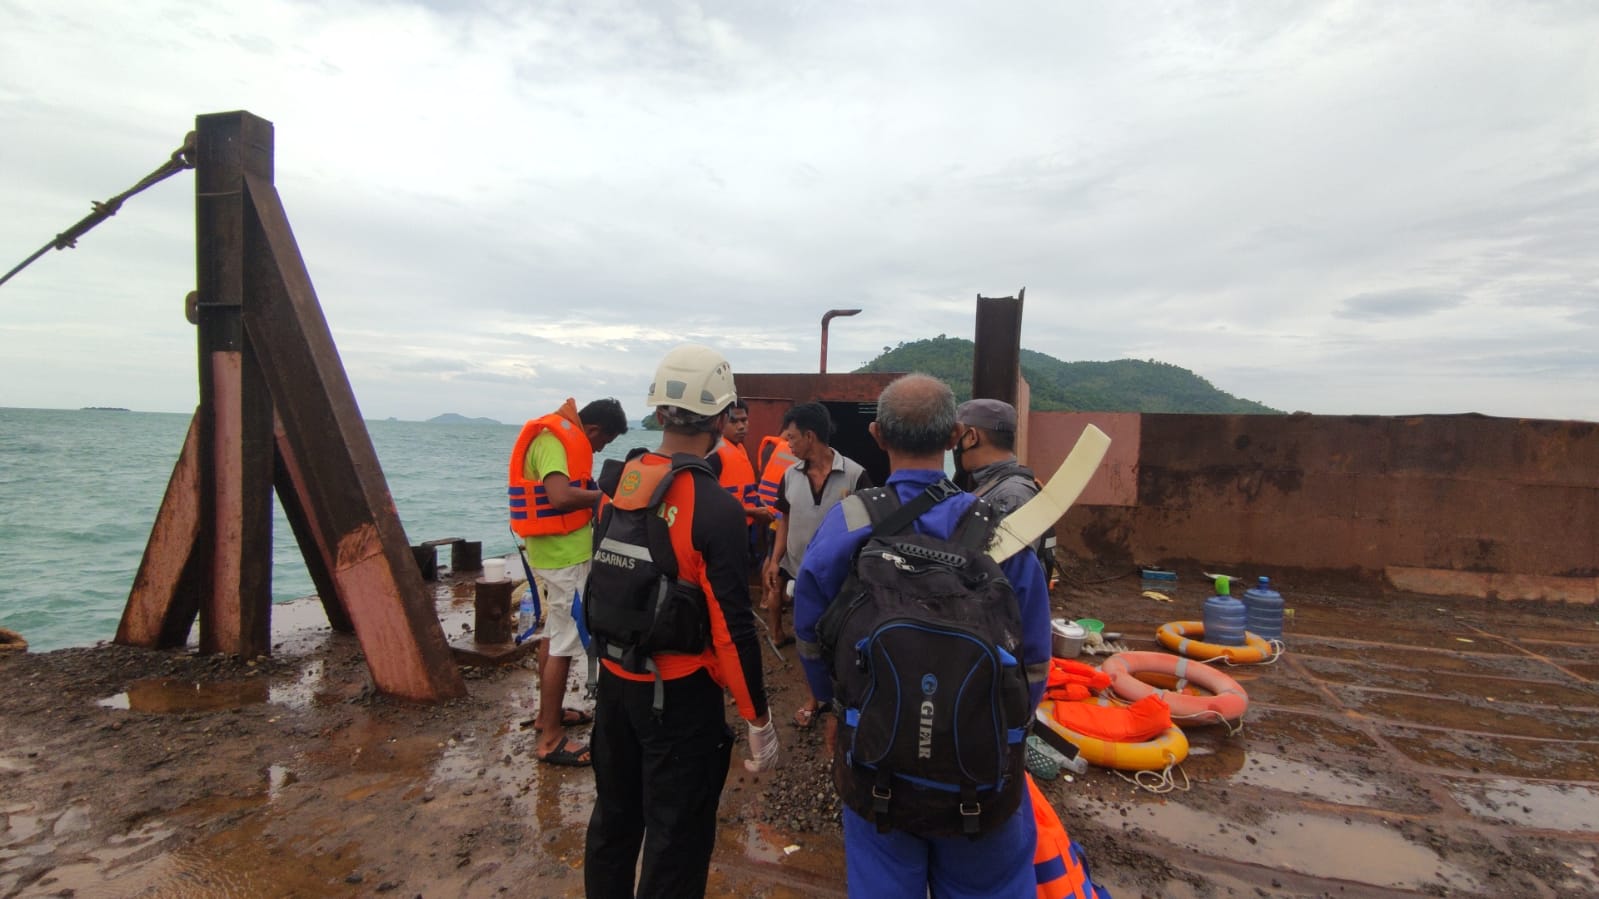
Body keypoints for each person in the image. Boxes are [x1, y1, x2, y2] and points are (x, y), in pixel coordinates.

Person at [792, 374, 1051, 898]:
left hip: (874, 760)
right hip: (981, 772)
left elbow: (810, 634)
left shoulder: (847, 523)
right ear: (956, 435)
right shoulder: (1001, 533)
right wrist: (1002, 729)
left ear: (877, 435)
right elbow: (1036, 662)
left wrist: (830, 708)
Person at [583, 343, 779, 899]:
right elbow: (731, 629)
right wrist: (757, 718)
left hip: (615, 689)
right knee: (676, 839)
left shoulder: (617, 486)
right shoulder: (712, 505)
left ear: (660, 412)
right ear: (721, 417)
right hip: (680, 699)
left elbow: (597, 586)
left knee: (613, 824)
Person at [509, 396, 628, 766]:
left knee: (553, 633)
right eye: (603, 442)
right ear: (593, 430)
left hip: (554, 554)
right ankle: (551, 741)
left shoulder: (557, 437)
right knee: (565, 642)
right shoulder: (555, 440)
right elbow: (559, 497)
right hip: (564, 559)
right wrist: (611, 499)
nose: (599, 449)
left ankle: (549, 716)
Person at [760, 402, 871, 727]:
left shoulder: (855, 474)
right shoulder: (789, 475)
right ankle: (815, 698)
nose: (788, 445)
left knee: (843, 639)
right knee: (806, 640)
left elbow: (866, 527)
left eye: (792, 438)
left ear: (810, 436)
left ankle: (848, 702)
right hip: (799, 574)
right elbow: (785, 518)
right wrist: (773, 559)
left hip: (842, 579)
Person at [953, 398, 1057, 580]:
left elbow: (1013, 576)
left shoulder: (1011, 495)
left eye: (957, 438)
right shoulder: (997, 485)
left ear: (971, 437)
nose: (954, 447)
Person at [710, 398, 775, 559]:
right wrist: (752, 511)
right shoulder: (713, 454)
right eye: (733, 421)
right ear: (720, 422)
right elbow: (708, 502)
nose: (741, 426)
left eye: (744, 420)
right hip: (723, 534)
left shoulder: (739, 448)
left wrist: (759, 503)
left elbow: (743, 489)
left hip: (743, 530)